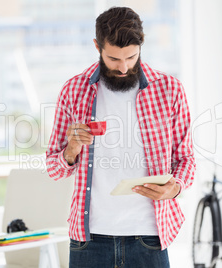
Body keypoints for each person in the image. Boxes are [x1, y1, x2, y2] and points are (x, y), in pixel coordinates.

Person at [46, 6, 195, 268]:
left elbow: (186, 159)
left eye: (132, 57)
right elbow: (53, 169)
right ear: (97, 46)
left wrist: (175, 188)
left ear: (141, 46)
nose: (124, 67)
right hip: (89, 240)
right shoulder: (74, 91)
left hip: (148, 237)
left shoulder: (169, 90)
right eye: (114, 58)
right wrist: (71, 150)